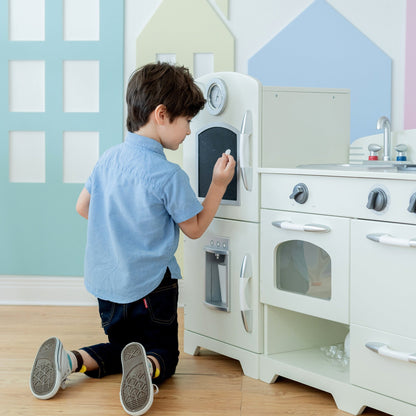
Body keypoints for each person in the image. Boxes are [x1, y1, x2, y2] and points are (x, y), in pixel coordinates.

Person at [29, 62, 236, 416]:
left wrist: (119, 225)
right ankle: (151, 368)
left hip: (107, 289)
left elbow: (82, 207)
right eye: (186, 121)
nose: (188, 131)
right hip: (151, 291)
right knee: (164, 354)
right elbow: (195, 228)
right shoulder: (169, 175)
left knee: (123, 347)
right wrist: (218, 184)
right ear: (162, 115)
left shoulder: (107, 159)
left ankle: (70, 359)